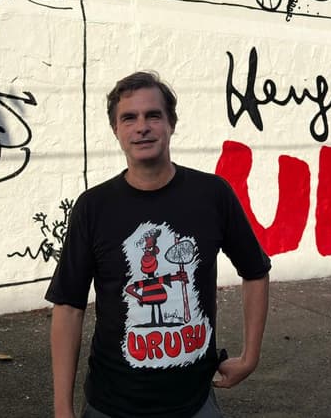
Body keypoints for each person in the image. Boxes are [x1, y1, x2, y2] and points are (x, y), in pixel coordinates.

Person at [46, 71, 271, 417]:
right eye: (129, 118)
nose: (142, 126)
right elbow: (69, 307)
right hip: (111, 403)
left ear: (171, 123)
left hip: (194, 402)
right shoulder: (93, 207)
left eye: (153, 115)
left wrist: (251, 356)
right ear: (117, 130)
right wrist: (62, 409)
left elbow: (255, 271)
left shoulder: (212, 195)